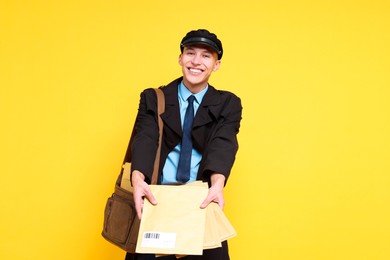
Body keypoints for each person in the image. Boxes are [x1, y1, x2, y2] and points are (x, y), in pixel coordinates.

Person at [125, 29, 242, 260]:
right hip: (157, 199)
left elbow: (223, 142)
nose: (196, 62)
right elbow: (146, 138)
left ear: (216, 64)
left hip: (199, 202)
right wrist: (138, 180)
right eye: (190, 53)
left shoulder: (228, 103)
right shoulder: (153, 97)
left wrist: (217, 184)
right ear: (180, 58)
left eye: (206, 56)